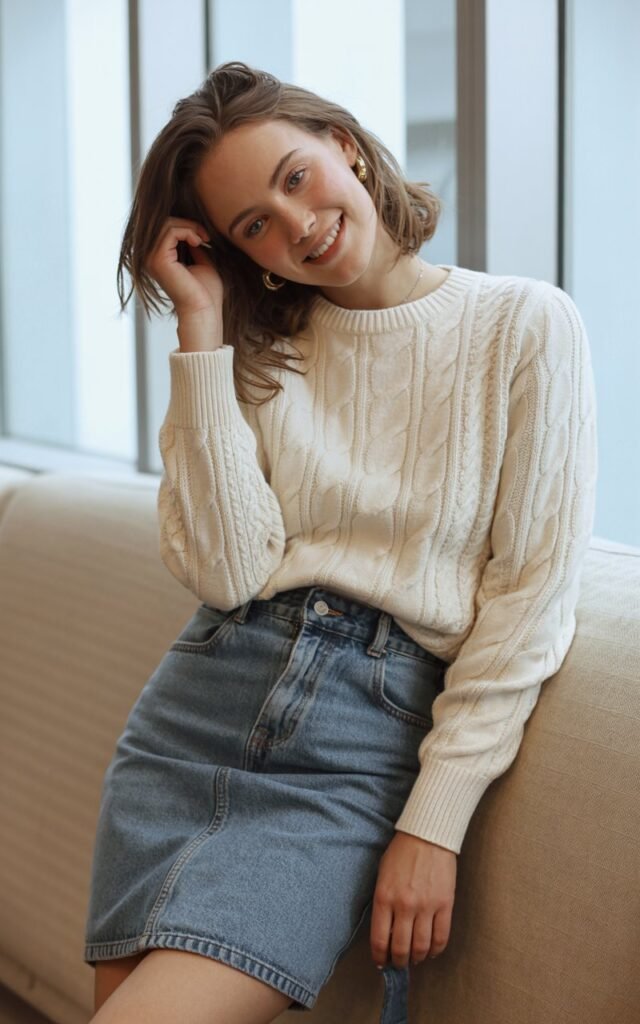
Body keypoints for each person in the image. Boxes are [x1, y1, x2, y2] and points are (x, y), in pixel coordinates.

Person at [83, 61, 598, 1024]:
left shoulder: (524, 326)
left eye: (294, 177)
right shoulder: (257, 348)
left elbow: (529, 600)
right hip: (192, 716)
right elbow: (227, 571)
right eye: (252, 227)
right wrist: (202, 328)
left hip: (360, 741)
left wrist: (433, 824)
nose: (296, 225)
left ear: (346, 148)